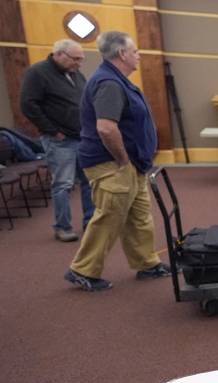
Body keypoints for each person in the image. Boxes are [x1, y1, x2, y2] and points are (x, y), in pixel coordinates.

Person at [64, 31, 169, 292]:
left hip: (132, 164)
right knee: (109, 216)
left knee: (139, 216)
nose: (139, 55)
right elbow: (106, 128)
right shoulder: (109, 83)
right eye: (135, 51)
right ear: (122, 54)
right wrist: (123, 161)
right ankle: (83, 269)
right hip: (113, 164)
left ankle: (146, 263)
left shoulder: (117, 80)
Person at [20, 39, 94, 242]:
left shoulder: (75, 73)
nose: (79, 64)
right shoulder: (38, 72)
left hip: (81, 137)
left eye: (81, 59)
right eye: (76, 59)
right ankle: (62, 227)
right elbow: (28, 105)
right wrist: (52, 131)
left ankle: (90, 222)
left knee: (89, 181)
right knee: (63, 184)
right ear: (59, 54)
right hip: (59, 140)